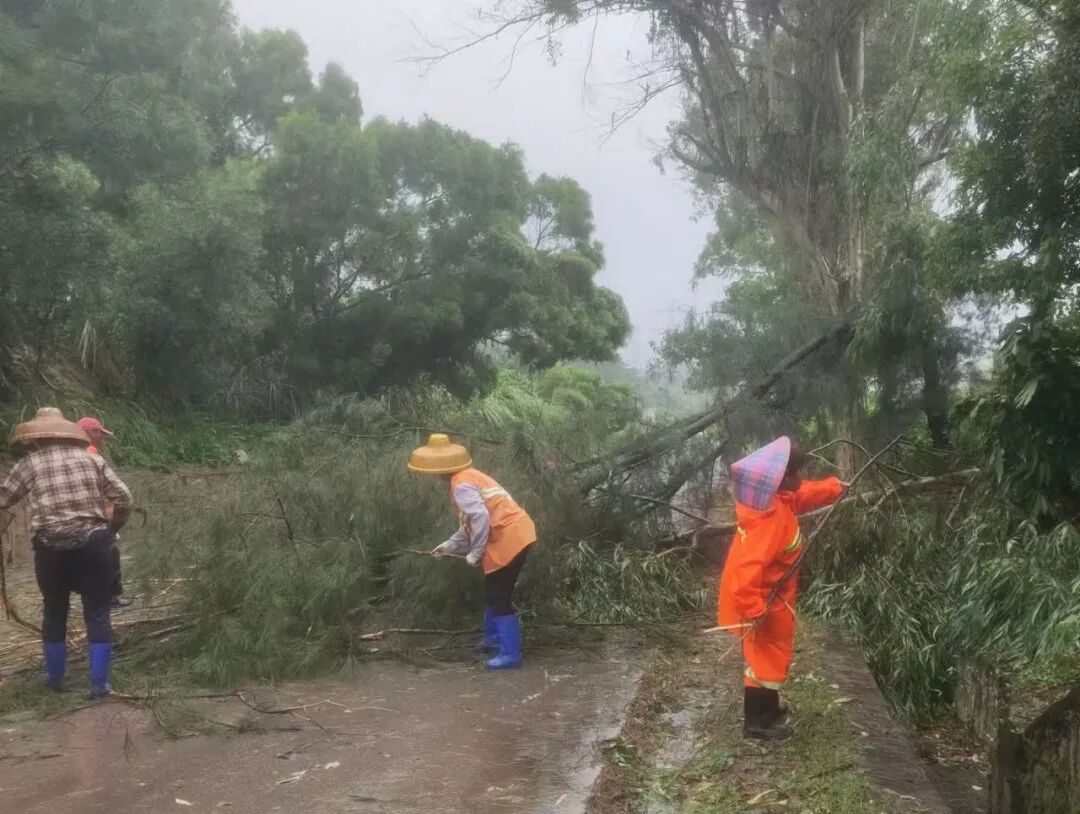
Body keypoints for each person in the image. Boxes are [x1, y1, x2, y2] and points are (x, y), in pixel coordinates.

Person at [717, 436, 845, 740]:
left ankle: (769, 710)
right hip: (759, 600)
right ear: (778, 478)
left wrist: (835, 488)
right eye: (793, 473)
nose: (799, 479)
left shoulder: (778, 501)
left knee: (770, 656)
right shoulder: (769, 521)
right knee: (763, 658)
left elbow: (804, 494)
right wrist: (754, 609)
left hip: (774, 598)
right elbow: (746, 573)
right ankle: (756, 724)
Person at [0, 408, 133, 697]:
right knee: (97, 612)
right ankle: (99, 684)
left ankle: (55, 680)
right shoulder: (91, 459)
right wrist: (112, 527)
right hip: (94, 545)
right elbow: (123, 497)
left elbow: (4, 498)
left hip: (51, 550)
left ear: (36, 438)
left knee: (54, 611)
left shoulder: (29, 464)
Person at [408, 434, 536, 670]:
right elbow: (469, 522)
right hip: (517, 533)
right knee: (494, 590)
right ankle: (492, 640)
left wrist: (476, 552)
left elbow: (480, 516)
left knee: (499, 595)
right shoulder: (466, 477)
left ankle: (510, 655)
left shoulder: (461, 483)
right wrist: (450, 545)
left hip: (510, 537)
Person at [77, 416, 133, 609]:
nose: (102, 438)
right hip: (92, 519)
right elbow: (121, 495)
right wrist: (112, 523)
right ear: (91, 433)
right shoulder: (91, 455)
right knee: (109, 553)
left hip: (83, 518)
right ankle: (109, 597)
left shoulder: (72, 454)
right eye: (100, 433)